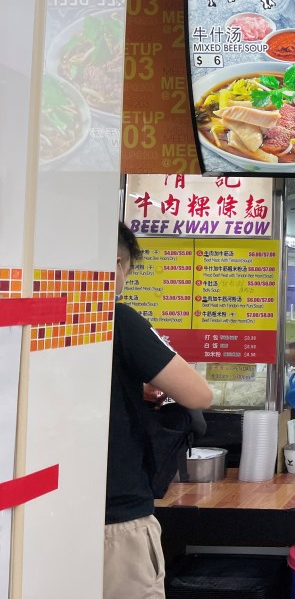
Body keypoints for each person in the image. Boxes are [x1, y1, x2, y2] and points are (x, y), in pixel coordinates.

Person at [105, 223, 213, 599]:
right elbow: (199, 394)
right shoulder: (118, 318)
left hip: (50, 515)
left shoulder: (42, 321)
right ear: (116, 264)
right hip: (117, 517)